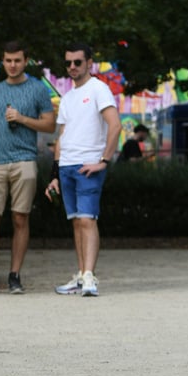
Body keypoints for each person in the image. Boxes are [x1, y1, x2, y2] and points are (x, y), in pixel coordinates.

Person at [0, 41, 56, 294]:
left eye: (17, 60)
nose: (12, 65)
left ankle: (15, 275)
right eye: (8, 60)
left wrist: (22, 118)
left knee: (20, 217)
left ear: (25, 61)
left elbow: (50, 125)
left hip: (24, 160)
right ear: (3, 61)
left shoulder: (38, 90)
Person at [45, 43, 122, 297]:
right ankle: (80, 275)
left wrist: (104, 160)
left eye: (78, 62)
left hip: (88, 165)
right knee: (76, 221)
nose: (72, 67)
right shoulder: (67, 97)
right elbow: (62, 136)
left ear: (89, 62)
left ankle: (90, 276)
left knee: (88, 220)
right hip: (66, 166)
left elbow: (115, 125)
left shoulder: (99, 89)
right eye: (68, 63)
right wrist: (54, 175)